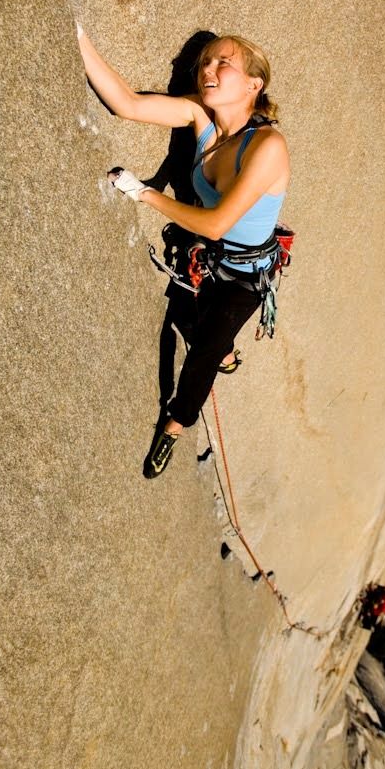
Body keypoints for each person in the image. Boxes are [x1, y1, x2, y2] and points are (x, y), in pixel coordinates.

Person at [76, 24, 290, 477]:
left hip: (247, 278)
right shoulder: (200, 115)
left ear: (255, 83)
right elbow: (127, 105)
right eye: (204, 63)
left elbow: (216, 222)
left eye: (222, 63)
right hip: (212, 259)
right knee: (188, 321)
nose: (207, 70)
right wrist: (76, 36)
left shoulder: (268, 146)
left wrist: (145, 195)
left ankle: (175, 423)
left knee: (201, 358)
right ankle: (228, 353)